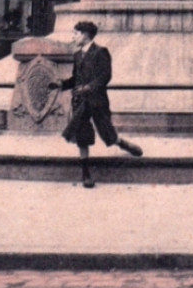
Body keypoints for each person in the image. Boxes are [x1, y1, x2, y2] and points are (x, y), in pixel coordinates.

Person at [50, 21, 143, 188]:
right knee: (81, 135)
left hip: (97, 101)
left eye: (76, 33)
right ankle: (86, 174)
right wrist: (61, 85)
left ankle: (122, 143)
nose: (73, 37)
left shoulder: (101, 52)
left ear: (85, 35)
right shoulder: (77, 55)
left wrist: (88, 88)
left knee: (107, 133)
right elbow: (75, 78)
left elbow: (105, 76)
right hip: (80, 102)